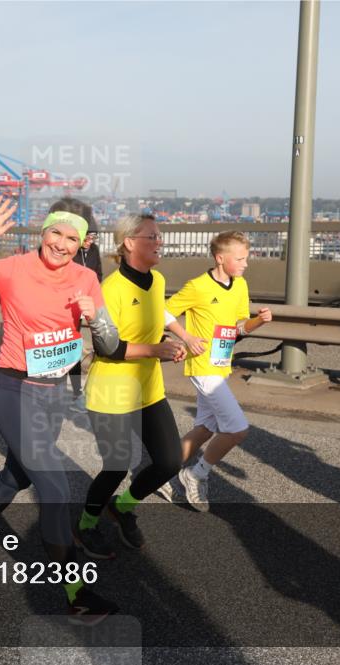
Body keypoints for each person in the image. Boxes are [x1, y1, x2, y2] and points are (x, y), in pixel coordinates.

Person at [0, 196, 122, 625]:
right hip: (14, 389)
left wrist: (96, 320)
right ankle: (76, 594)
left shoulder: (87, 278)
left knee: (16, 476)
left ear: (83, 243)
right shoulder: (13, 268)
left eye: (71, 238)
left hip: (55, 393)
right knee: (54, 488)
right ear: (43, 231)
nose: (61, 244)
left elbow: (110, 346)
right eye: (56, 233)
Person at [74, 213, 186, 560]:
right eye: (152, 237)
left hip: (148, 389)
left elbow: (149, 329)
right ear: (129, 243)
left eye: (160, 236)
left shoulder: (158, 281)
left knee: (169, 462)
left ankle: (122, 507)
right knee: (116, 466)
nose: (160, 242)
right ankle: (86, 524)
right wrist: (156, 350)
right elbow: (107, 347)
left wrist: (169, 344)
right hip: (111, 392)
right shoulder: (110, 290)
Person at [156, 231, 272, 510]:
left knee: (206, 428)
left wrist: (258, 321)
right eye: (240, 259)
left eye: (246, 258)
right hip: (203, 364)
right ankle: (196, 474)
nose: (246, 264)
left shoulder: (240, 285)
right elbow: (162, 311)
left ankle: (159, 475)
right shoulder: (198, 286)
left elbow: (238, 327)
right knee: (237, 429)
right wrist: (186, 337)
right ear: (220, 258)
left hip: (221, 364)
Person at [49, 197, 103, 414]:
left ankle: (80, 393)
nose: (90, 240)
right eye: (87, 236)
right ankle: (67, 392)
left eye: (93, 237)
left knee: (81, 351)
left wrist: (92, 298)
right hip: (64, 308)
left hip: (85, 307)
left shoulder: (94, 251)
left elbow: (98, 275)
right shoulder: (65, 250)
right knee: (65, 351)